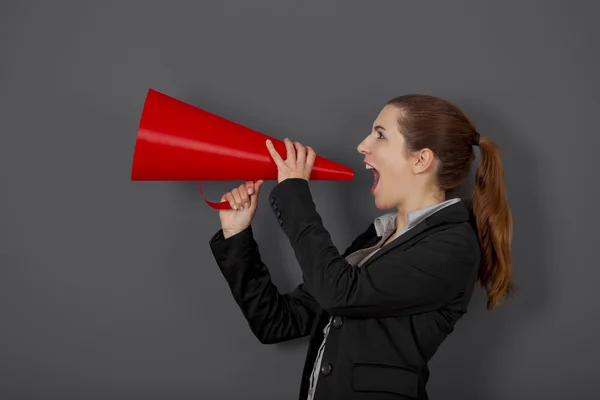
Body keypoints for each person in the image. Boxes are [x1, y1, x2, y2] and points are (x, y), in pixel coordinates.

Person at [208, 94, 513, 400]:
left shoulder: (453, 244)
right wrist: (236, 234)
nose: (362, 145)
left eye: (380, 135)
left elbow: (340, 292)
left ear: (421, 160)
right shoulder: (378, 238)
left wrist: (293, 195)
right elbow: (277, 322)